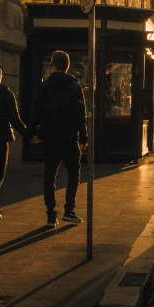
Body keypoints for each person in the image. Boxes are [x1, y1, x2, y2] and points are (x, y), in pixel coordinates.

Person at [30, 50, 88, 228]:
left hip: (50, 138)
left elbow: (36, 111)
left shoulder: (45, 85)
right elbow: (80, 114)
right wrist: (83, 137)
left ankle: (50, 215)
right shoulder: (74, 85)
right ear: (67, 66)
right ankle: (69, 211)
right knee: (73, 174)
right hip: (70, 138)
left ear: (53, 65)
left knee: (49, 176)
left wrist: (34, 132)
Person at [0, 67, 31, 220]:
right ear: (0, 77)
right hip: (0, 139)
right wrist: (29, 135)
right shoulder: (6, 94)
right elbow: (15, 119)